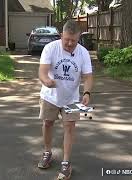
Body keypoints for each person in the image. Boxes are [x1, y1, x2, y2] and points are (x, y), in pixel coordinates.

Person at [37, 20, 93, 180]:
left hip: (72, 97)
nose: (69, 43)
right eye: (66, 39)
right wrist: (46, 81)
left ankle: (66, 163)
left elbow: (88, 77)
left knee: (69, 127)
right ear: (61, 35)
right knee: (47, 123)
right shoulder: (50, 48)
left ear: (79, 38)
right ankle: (47, 152)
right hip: (50, 96)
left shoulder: (83, 53)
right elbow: (42, 71)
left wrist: (87, 93)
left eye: (73, 40)